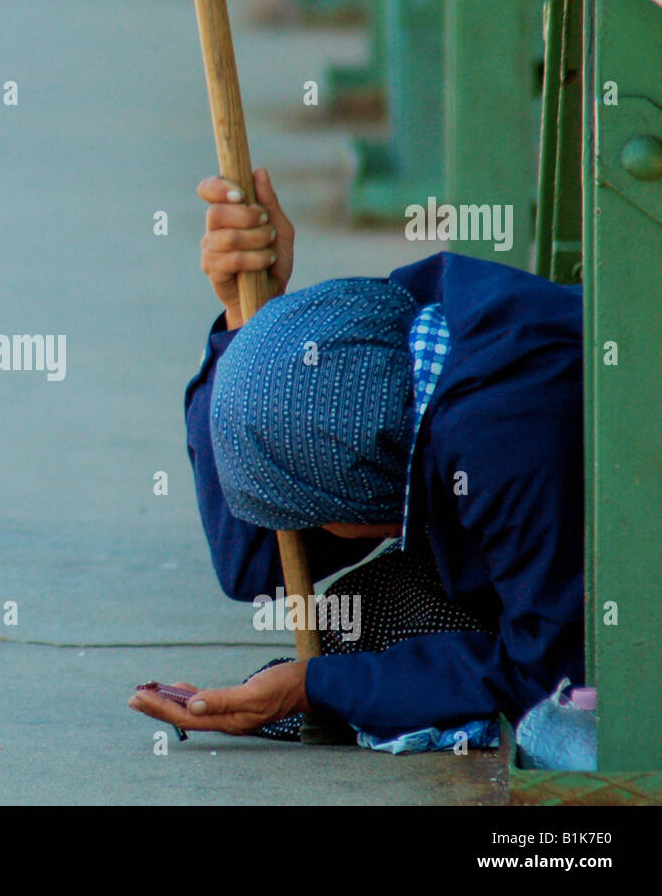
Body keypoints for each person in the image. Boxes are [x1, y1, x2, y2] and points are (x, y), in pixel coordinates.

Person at [129, 168, 585, 742]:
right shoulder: (407, 327)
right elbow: (253, 566)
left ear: (363, 502)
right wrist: (247, 324)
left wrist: (312, 689)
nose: (313, 528)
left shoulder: (503, 438)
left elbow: (556, 686)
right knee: (361, 625)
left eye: (317, 514)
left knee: (395, 631)